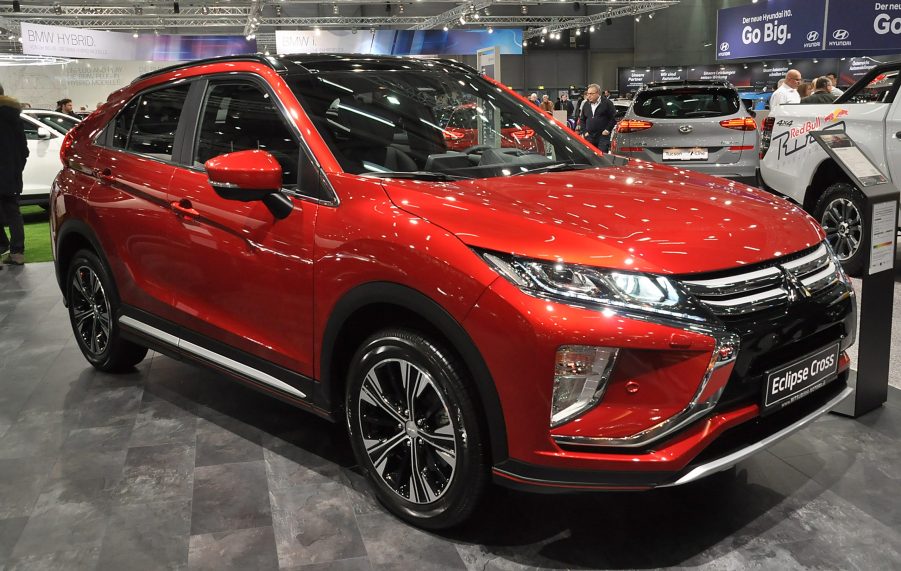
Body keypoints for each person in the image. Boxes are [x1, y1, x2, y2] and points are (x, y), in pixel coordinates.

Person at [0, 83, 29, 266]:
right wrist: (16, 168)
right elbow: (24, 150)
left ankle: (2, 245)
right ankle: (17, 252)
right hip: (11, 174)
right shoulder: (14, 117)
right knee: (13, 213)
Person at [578, 83, 615, 152]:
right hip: (589, 137)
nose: (588, 96)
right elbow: (582, 120)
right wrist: (585, 132)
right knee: (590, 157)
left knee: (602, 157)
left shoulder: (607, 103)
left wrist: (607, 130)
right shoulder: (586, 104)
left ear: (598, 93)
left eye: (591, 94)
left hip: (602, 136)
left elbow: (613, 118)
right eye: (588, 94)